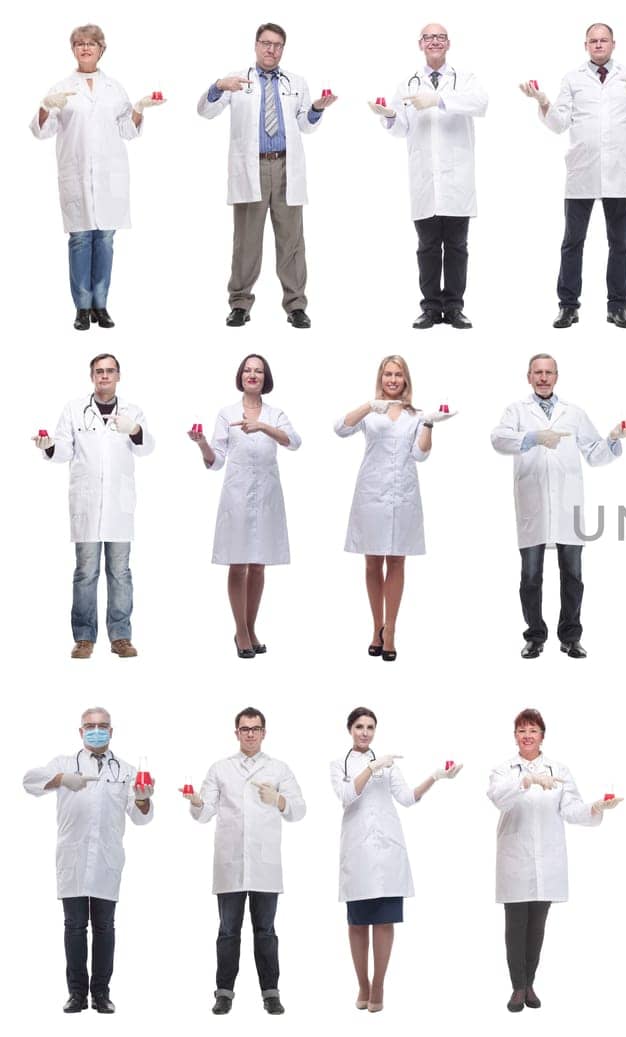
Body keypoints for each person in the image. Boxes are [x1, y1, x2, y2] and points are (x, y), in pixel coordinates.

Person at [526, 22, 626, 330]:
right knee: (572, 241)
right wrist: (543, 102)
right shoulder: (572, 79)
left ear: (613, 44)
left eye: (604, 40)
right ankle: (568, 306)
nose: (599, 45)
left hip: (618, 172)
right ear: (586, 45)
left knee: (620, 242)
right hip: (582, 172)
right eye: (594, 41)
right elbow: (559, 124)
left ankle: (617, 307)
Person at [489, 353, 626, 660]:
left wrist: (613, 438)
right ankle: (535, 636)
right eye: (537, 372)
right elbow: (498, 440)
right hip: (533, 505)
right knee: (530, 577)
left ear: (556, 376)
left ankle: (570, 637)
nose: (543, 377)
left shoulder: (574, 412)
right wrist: (533, 437)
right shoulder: (516, 410)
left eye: (548, 372)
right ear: (528, 377)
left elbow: (594, 454)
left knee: (573, 577)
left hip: (568, 507)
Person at [198, 22, 333, 329]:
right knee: (246, 240)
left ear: (282, 49)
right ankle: (240, 303)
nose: (271, 49)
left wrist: (316, 109)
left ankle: (296, 304)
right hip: (252, 167)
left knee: (292, 239)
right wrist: (219, 86)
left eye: (277, 45)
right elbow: (205, 112)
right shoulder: (237, 80)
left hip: (286, 166)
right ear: (256, 45)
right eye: (266, 43)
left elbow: (306, 126)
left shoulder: (296, 81)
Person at [22, 706, 154, 1014]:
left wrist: (144, 797)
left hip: (107, 860)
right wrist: (62, 779)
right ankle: (77, 994)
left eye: (102, 725)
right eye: (90, 725)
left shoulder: (126, 770)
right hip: (74, 859)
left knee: (105, 927)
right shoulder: (64, 763)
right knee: (74, 926)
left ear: (111, 731)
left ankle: (102, 994)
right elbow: (29, 782)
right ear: (81, 732)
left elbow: (141, 818)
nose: (97, 729)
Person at [487, 708, 620, 1011]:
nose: (527, 736)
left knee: (537, 928)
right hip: (516, 861)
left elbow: (570, 809)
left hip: (547, 861)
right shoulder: (503, 770)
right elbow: (498, 798)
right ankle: (517, 987)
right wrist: (525, 780)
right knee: (515, 926)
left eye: (533, 730)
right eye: (522, 731)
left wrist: (594, 807)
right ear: (515, 736)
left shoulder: (559, 770)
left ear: (542, 736)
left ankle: (530, 982)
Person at [31, 24, 162, 330]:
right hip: (75, 175)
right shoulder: (61, 88)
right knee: (80, 240)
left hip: (109, 179)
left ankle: (100, 305)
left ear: (102, 49)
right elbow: (42, 131)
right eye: (79, 44)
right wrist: (44, 107)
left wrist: (140, 108)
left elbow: (128, 130)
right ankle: (81, 308)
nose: (85, 48)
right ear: (73, 50)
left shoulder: (114, 88)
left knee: (104, 240)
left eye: (91, 43)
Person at [332, 706, 461, 1013]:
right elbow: (347, 796)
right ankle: (362, 983)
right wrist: (372, 768)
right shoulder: (339, 764)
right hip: (358, 854)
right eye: (360, 726)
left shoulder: (389, 766)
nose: (365, 732)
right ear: (350, 729)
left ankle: (379, 984)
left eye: (370, 727)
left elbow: (407, 798)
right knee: (358, 923)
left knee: (385, 920)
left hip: (388, 852)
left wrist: (436, 777)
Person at [184, 707, 306, 1015]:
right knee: (228, 931)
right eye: (244, 728)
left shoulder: (279, 769)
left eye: (255, 728)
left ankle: (271, 993)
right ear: (236, 733)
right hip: (230, 864)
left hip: (264, 865)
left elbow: (299, 809)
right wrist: (197, 802)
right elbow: (205, 812)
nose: (250, 733)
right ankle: (224, 992)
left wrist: (278, 800)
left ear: (264, 733)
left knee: (265, 931)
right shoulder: (220, 769)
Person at [370, 23, 487, 330]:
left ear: (448, 43)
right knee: (428, 247)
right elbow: (401, 129)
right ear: (420, 44)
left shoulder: (465, 80)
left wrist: (439, 100)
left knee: (458, 247)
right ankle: (431, 308)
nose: (434, 41)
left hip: (457, 179)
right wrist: (390, 116)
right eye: (428, 37)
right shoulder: (408, 84)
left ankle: (455, 307)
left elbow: (480, 104)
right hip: (425, 180)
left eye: (440, 37)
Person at [36, 353, 153, 659]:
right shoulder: (74, 409)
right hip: (87, 504)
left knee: (120, 572)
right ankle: (84, 637)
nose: (104, 376)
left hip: (119, 506)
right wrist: (49, 447)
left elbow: (147, 448)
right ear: (92, 376)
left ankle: (121, 637)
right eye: (99, 371)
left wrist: (135, 430)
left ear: (118, 375)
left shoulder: (132, 411)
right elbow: (64, 449)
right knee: (85, 572)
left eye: (109, 371)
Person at [337, 356, 453, 662]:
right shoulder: (370, 412)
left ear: (405, 379)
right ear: (381, 377)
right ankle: (377, 626)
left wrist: (428, 423)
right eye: (387, 374)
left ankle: (391, 631)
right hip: (371, 494)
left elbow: (420, 454)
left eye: (398, 375)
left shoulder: (415, 414)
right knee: (373, 562)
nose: (392, 379)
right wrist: (368, 405)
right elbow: (340, 428)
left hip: (403, 495)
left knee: (397, 561)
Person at [189, 354, 301, 659]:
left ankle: (251, 629)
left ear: (266, 378)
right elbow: (217, 461)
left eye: (259, 371)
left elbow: (294, 441)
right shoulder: (226, 414)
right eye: (248, 370)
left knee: (259, 563)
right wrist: (201, 444)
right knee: (238, 563)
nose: (253, 375)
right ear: (240, 376)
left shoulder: (275, 414)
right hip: (237, 496)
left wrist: (262, 426)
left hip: (267, 495)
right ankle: (240, 631)